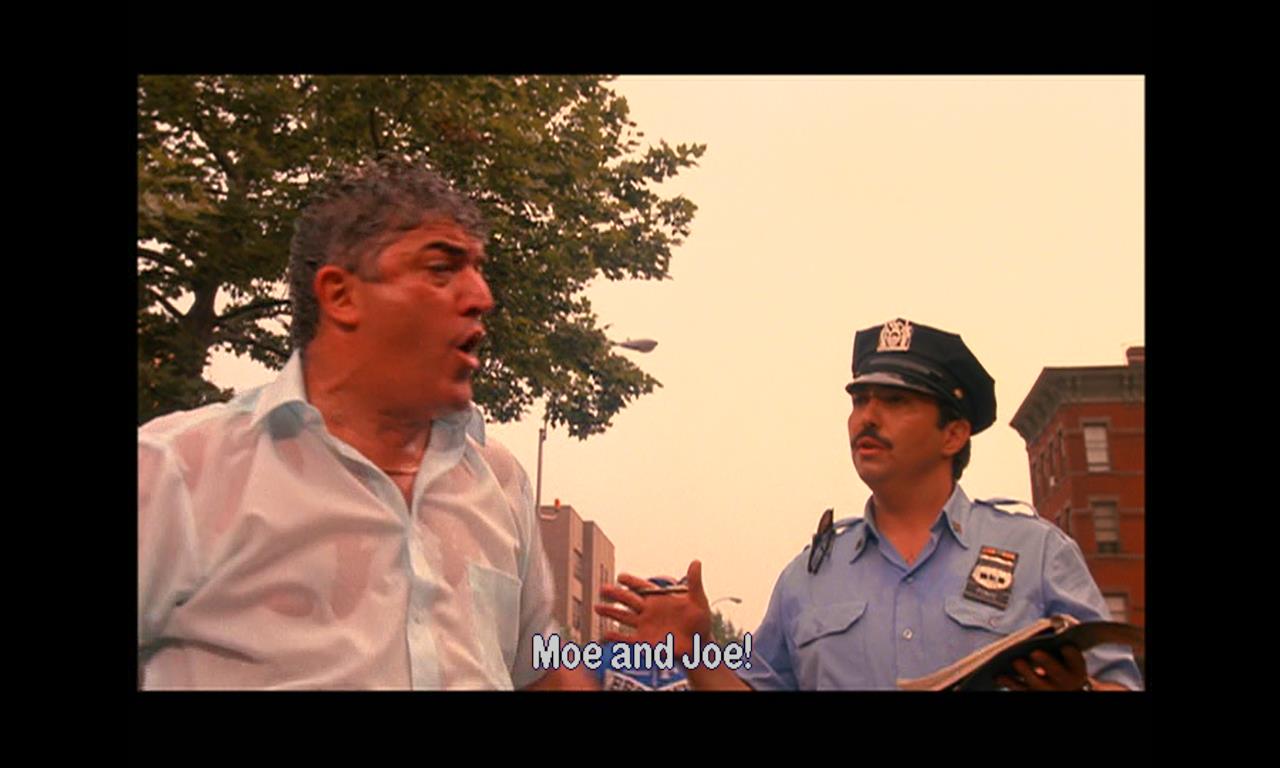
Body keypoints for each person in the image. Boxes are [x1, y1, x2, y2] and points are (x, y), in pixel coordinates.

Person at [138, 158, 593, 690]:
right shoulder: (175, 470)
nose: (481, 297)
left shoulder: (499, 479)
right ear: (341, 296)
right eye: (441, 269)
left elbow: (539, 671)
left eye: (477, 269)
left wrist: (673, 654)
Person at [598, 318, 1142, 690]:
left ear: (953, 434)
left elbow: (1119, 681)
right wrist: (695, 652)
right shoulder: (808, 576)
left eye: (896, 400)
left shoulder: (1037, 552)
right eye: (860, 400)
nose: (867, 417)